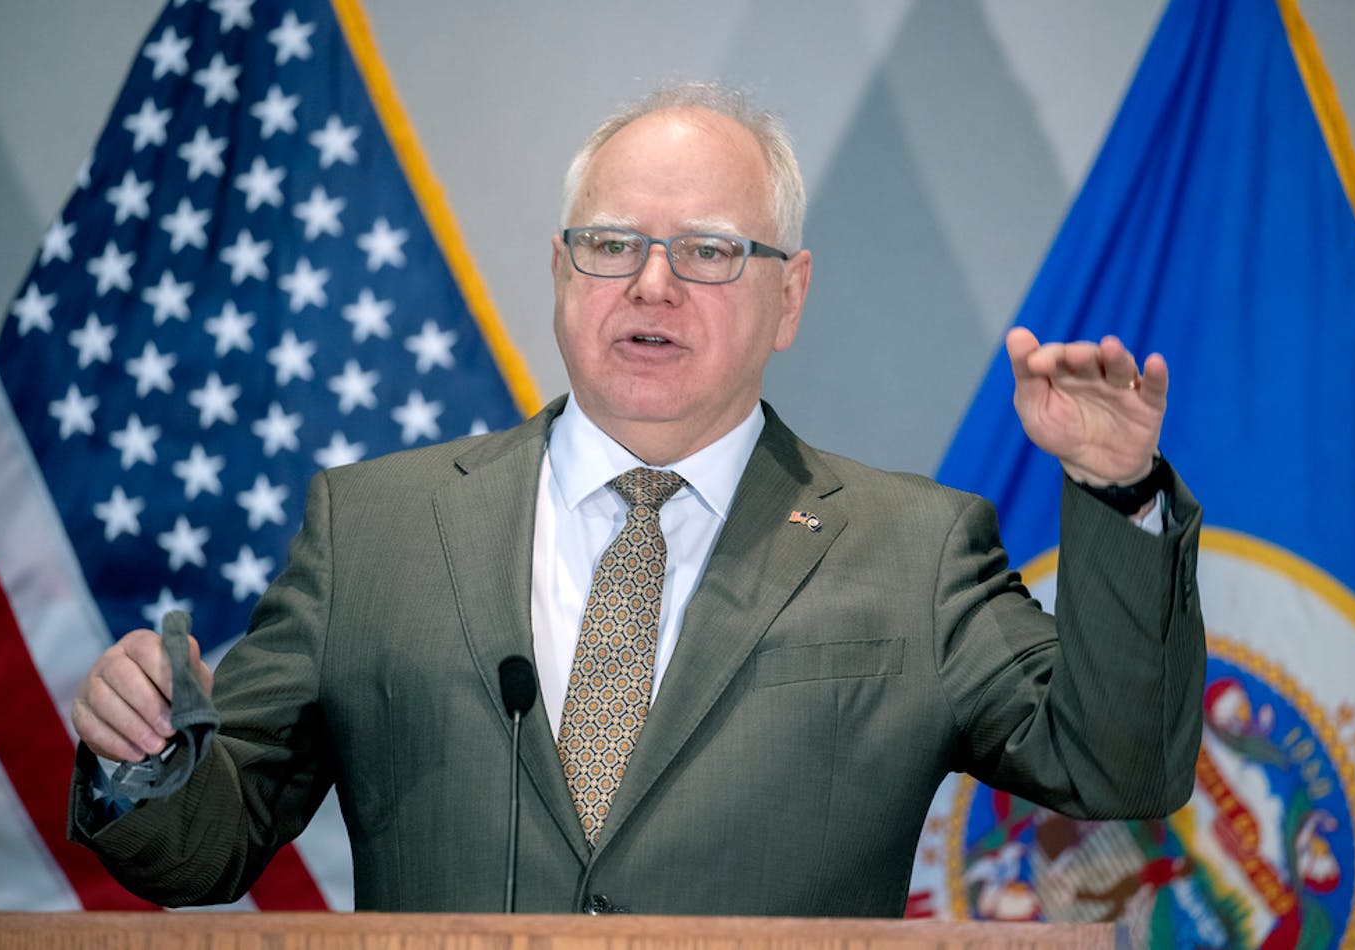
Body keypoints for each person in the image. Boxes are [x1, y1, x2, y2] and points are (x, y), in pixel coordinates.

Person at [68, 81, 1205, 916]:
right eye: (610, 243)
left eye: (708, 251)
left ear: (788, 293)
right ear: (563, 272)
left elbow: (1115, 764)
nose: (650, 283)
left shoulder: (912, 551)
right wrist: (146, 757)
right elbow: (201, 847)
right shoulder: (375, 529)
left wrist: (1115, 494)